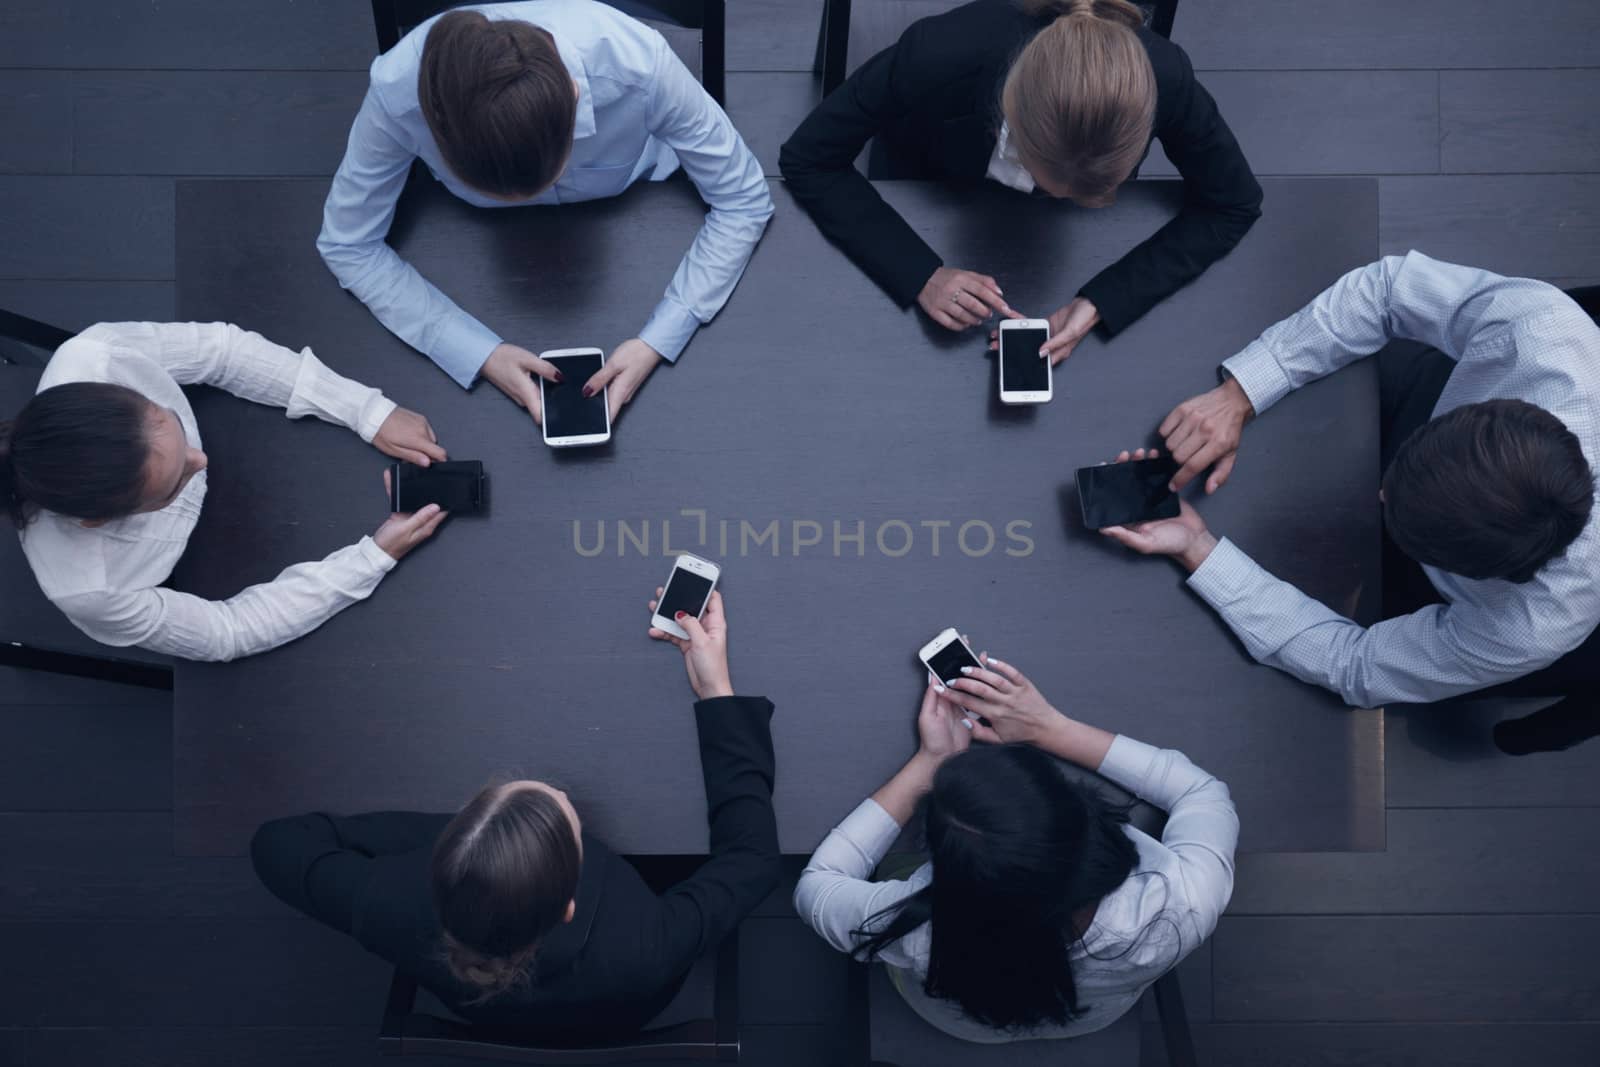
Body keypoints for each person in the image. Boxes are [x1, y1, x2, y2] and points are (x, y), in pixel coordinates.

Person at [1101, 253, 1600, 755]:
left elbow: (1355, 665)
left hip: (1441, 597)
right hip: (1423, 397)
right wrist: (1242, 392)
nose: (1378, 493)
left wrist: (1200, 549)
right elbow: (1388, 290)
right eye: (1397, 479)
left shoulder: (1532, 624)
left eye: (1391, 505)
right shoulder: (1543, 332)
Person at [250, 589, 780, 1036]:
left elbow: (274, 844)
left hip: (490, 1012)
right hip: (627, 1007)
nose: (563, 797)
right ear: (568, 905)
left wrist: (460, 842)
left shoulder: (386, 903)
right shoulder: (645, 942)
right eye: (568, 820)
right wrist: (716, 691)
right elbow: (752, 858)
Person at [319, 0, 773, 433]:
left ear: (573, 96)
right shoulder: (397, 91)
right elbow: (347, 243)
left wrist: (660, 337)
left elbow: (745, 198)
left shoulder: (641, 64)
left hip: (639, 205)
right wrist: (475, 351)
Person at [779, 0, 1260, 361]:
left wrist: (1102, 300)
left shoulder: (1166, 79)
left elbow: (1234, 203)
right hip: (928, 180)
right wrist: (920, 273)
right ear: (1008, 109)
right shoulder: (938, 55)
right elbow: (808, 157)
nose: (1049, 195)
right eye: (1040, 172)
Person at [795, 655, 1237, 1042]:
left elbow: (816, 887)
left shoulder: (914, 932)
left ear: (947, 872)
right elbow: (1201, 791)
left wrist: (929, 764)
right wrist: (1050, 729)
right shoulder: (1185, 905)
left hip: (958, 1021)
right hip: (1093, 1015)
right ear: (1080, 818)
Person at [0, 321, 448, 662]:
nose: (202, 460)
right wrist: (372, 557)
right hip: (200, 564)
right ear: (97, 520)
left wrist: (365, 411)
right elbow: (227, 631)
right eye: (174, 482)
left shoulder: (99, 356)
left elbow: (223, 353)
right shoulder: (90, 591)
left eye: (169, 423)